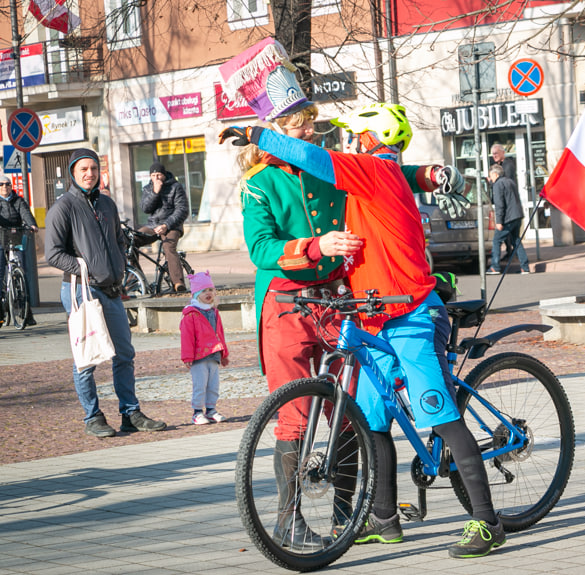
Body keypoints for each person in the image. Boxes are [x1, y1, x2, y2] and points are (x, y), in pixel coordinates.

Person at [220, 102, 506, 559]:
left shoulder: (352, 168)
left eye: (309, 121)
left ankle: (483, 520)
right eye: (299, 124)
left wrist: (257, 133)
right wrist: (316, 245)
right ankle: (359, 518)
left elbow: (380, 169)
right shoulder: (261, 183)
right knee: (362, 414)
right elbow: (262, 246)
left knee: (400, 411)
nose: (312, 131)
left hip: (377, 307)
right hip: (305, 303)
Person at [44, 148, 167, 438]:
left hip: (111, 290)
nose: (89, 174)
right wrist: (83, 267)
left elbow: (118, 240)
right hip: (80, 290)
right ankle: (92, 416)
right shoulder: (63, 208)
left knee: (124, 353)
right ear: (74, 173)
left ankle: (130, 413)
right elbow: (53, 254)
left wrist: (122, 263)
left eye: (94, 169)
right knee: (86, 358)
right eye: (83, 169)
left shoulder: (107, 205)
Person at [180, 271, 229, 425]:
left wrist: (224, 353)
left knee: (213, 385)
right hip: (198, 357)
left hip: (214, 355)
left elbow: (219, 333)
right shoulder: (191, 314)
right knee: (200, 385)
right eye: (204, 291)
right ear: (196, 293)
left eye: (210, 290)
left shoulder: (214, 312)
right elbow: (187, 337)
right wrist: (187, 356)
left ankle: (211, 410)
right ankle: (196, 412)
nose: (208, 293)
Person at [136, 162, 190, 293]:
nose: (156, 178)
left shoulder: (175, 187)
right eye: (153, 175)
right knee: (132, 240)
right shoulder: (148, 188)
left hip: (172, 225)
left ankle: (178, 282)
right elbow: (145, 208)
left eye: (159, 175)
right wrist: (155, 192)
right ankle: (135, 279)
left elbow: (182, 209)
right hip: (153, 225)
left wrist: (167, 225)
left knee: (168, 246)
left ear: (164, 175)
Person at [0, 174, 38, 326]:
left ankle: (26, 313)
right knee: (0, 271)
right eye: (1, 184)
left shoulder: (18, 200)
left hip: (15, 234)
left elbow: (25, 213)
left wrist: (32, 224)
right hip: (0, 236)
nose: (4, 187)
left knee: (22, 269)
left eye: (7, 184)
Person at [487, 164, 530, 275]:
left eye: (490, 175)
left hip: (507, 218)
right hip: (517, 215)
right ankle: (525, 267)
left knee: (497, 240)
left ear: (495, 174)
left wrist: (499, 221)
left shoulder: (498, 184)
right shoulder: (510, 181)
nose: (490, 178)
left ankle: (495, 267)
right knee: (516, 240)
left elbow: (500, 204)